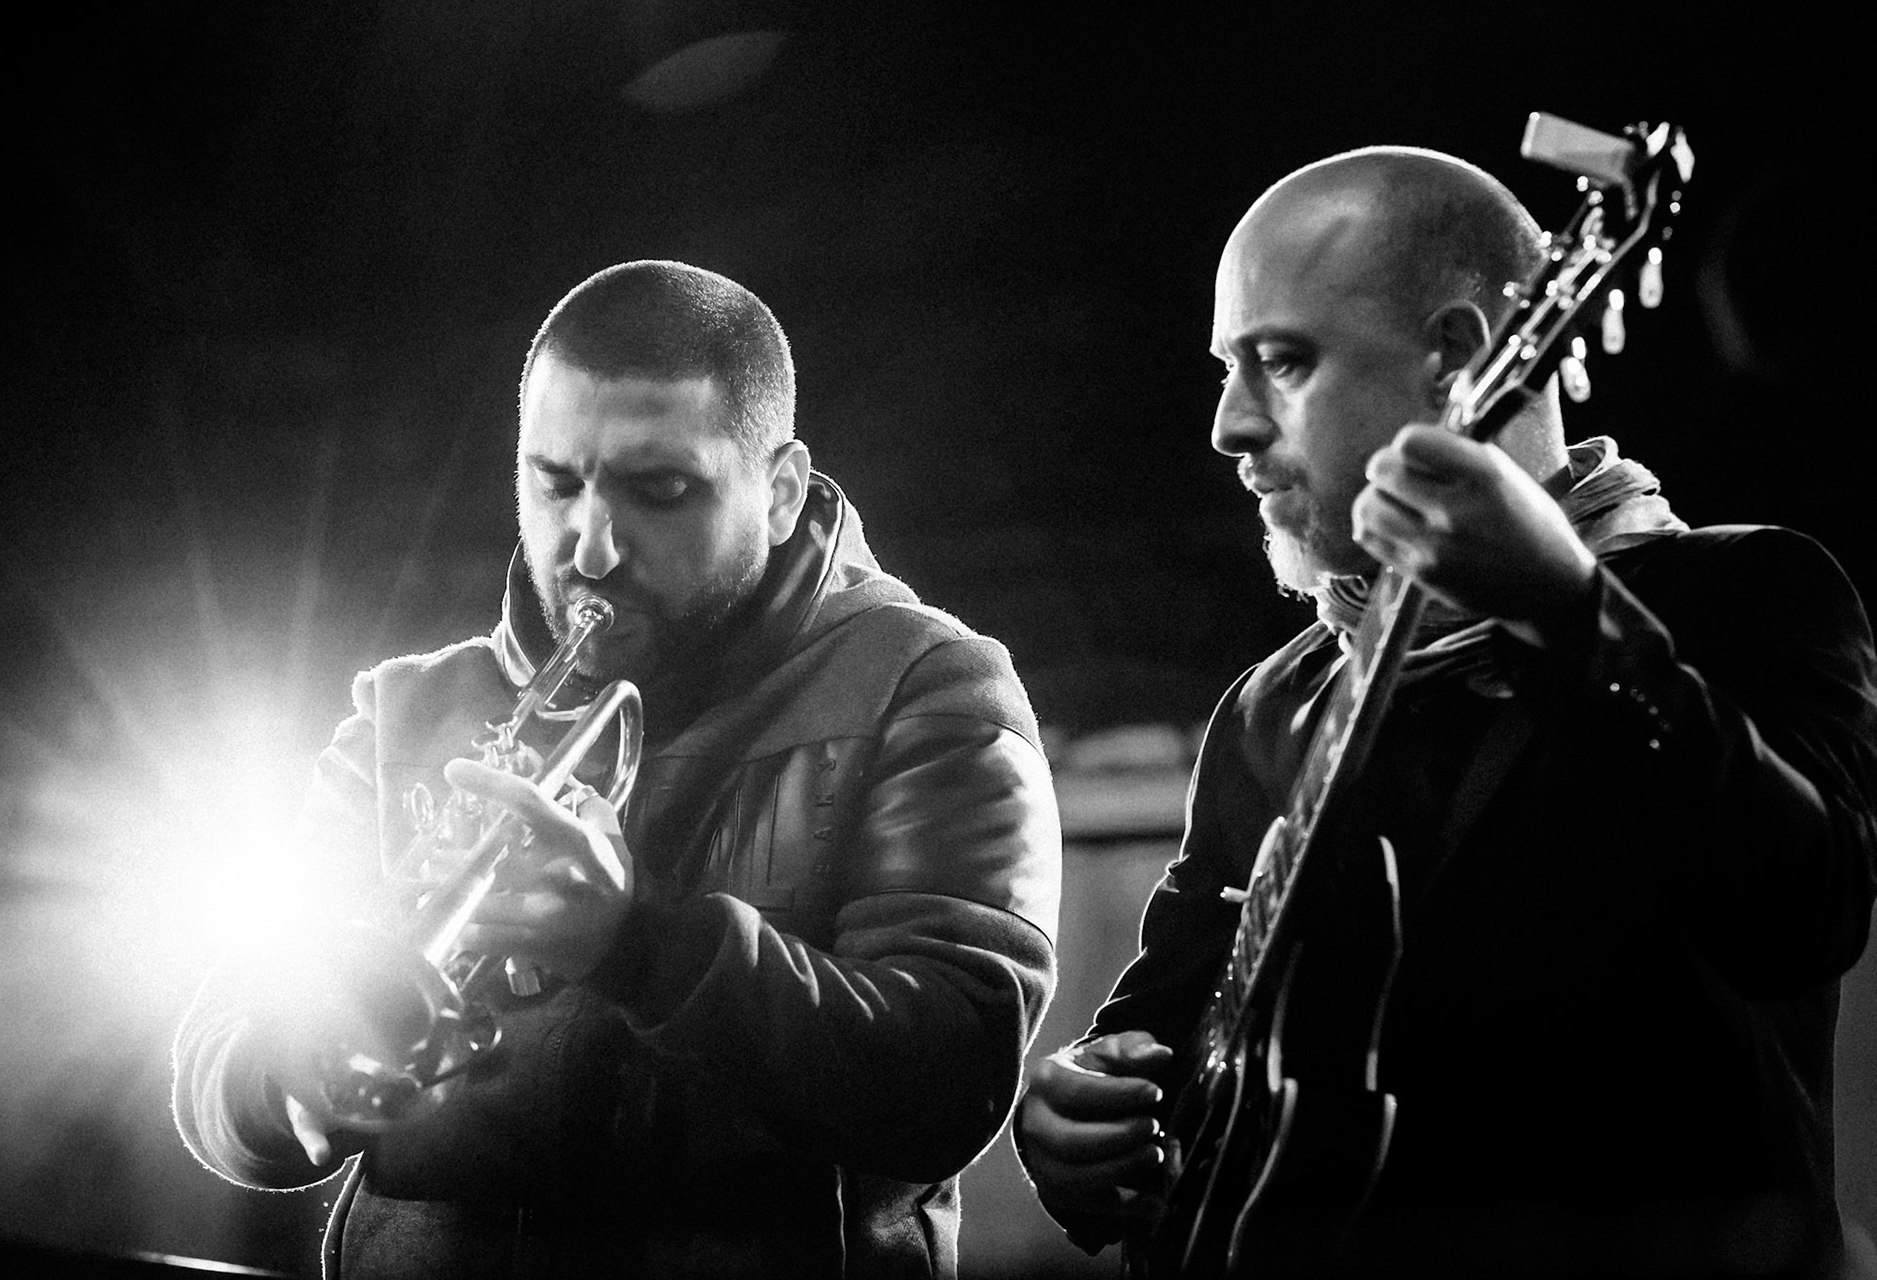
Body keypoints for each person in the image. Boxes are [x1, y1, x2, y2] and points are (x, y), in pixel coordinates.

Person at [1015, 147, 1877, 1278]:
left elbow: (1802, 911)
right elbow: (1178, 1015)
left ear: (1460, 357)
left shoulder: (1747, 594)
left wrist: (1568, 617)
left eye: (1281, 361)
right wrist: (1080, 1109)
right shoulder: (1275, 703)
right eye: (1227, 367)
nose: (1228, 425)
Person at [172, 260, 1063, 1279]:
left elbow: (949, 1078)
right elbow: (215, 1068)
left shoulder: (930, 685)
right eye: (554, 483)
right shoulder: (403, 710)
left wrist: (642, 944)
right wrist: (290, 1067)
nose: (588, 547)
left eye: (660, 490)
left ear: (777, 492)